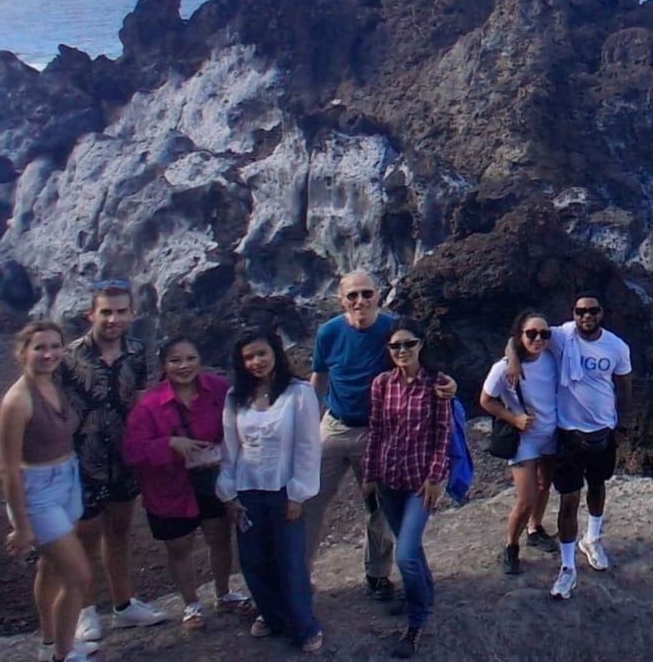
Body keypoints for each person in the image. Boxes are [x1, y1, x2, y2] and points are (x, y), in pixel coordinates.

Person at [304, 270, 455, 602]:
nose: (360, 301)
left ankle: (377, 574)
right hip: (334, 425)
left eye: (366, 293)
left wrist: (449, 384)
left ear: (379, 294)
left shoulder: (390, 329)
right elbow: (319, 378)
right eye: (352, 295)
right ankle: (299, 577)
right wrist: (307, 426)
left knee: (378, 507)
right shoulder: (328, 332)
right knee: (308, 500)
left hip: (377, 431)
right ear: (341, 299)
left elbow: (419, 359)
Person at [60, 278, 165, 643]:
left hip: (123, 455)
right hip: (82, 456)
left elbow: (140, 402)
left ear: (132, 314)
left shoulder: (136, 352)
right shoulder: (69, 356)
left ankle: (123, 604)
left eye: (121, 311)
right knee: (84, 535)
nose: (113, 319)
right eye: (106, 311)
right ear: (91, 313)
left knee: (119, 530)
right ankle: (85, 610)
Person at [122, 337, 251, 631]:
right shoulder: (149, 405)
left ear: (200, 360)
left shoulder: (219, 390)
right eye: (175, 360)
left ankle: (224, 593)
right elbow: (132, 450)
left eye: (190, 358)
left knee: (219, 536)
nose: (184, 366)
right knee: (179, 546)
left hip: (213, 478)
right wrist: (170, 444)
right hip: (169, 486)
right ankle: (191, 604)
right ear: (164, 365)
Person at [510, 292, 631, 600]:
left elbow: (625, 385)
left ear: (601, 313)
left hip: (602, 432)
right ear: (573, 314)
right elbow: (521, 336)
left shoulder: (617, 347)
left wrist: (621, 425)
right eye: (580, 311)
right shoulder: (561, 336)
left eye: (592, 310)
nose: (586, 316)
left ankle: (592, 538)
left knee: (598, 487)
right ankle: (567, 568)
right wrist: (511, 360)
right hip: (569, 434)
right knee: (568, 500)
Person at [216, 329, 323, 653]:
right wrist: (229, 494)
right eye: (248, 357)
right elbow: (230, 449)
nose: (256, 362)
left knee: (289, 561)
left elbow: (308, 447)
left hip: (283, 490)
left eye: (261, 353)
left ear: (275, 353)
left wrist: (297, 494)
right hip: (247, 490)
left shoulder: (298, 393)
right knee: (254, 561)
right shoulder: (236, 397)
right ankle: (274, 617)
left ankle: (304, 625)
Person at [0, 321, 95, 662]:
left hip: (68, 480)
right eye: (39, 347)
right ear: (22, 352)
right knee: (78, 577)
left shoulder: (55, 383)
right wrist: (22, 526)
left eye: (55, 346)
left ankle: (51, 642)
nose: (48, 354)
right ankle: (64, 655)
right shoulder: (17, 402)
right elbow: (9, 469)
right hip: (37, 493)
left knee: (51, 568)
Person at [361, 321, 453, 659]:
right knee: (410, 548)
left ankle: (416, 621)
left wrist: (436, 477)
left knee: (405, 554)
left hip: (419, 482)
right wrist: (370, 473)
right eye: (395, 346)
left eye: (408, 344)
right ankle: (423, 594)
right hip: (389, 479)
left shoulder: (437, 384)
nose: (402, 351)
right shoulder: (382, 384)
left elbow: (443, 434)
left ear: (420, 345)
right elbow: (376, 430)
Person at [481, 310, 558, 577]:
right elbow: (485, 400)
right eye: (531, 333)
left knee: (544, 485)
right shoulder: (503, 368)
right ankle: (511, 546)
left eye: (544, 333)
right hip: (525, 439)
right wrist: (513, 418)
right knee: (526, 499)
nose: (538, 338)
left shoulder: (550, 357)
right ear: (520, 335)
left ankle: (534, 529)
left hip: (551, 435)